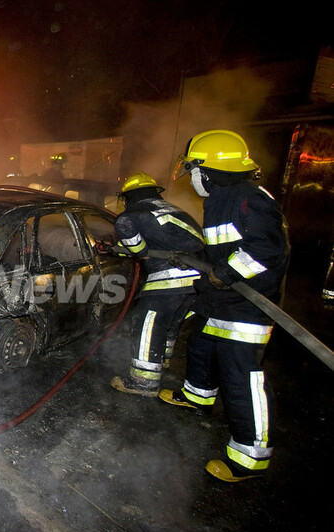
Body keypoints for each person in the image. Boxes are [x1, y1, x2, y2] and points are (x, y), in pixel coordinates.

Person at [159, 130, 290, 483]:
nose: (193, 178)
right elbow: (220, 247)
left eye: (195, 170)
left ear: (211, 170)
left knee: (241, 375)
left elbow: (267, 250)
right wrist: (196, 262)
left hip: (248, 305)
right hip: (222, 300)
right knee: (201, 346)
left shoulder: (250, 200)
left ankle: (249, 456)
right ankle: (197, 396)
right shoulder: (221, 199)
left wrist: (226, 273)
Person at [110, 172, 205, 396]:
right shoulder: (171, 210)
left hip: (172, 276)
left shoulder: (136, 212)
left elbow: (124, 223)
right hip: (199, 277)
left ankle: (143, 381)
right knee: (170, 322)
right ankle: (163, 361)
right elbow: (164, 240)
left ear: (129, 197)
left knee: (147, 321)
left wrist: (140, 250)